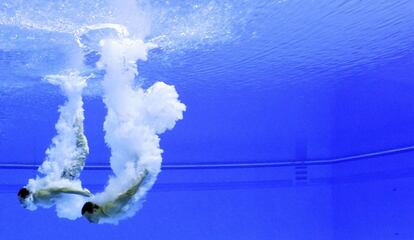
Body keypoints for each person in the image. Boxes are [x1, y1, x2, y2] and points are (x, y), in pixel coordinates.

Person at [18, 120, 91, 209]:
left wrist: (83, 193)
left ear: (27, 197)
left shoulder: (40, 195)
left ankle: (77, 118)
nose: (22, 204)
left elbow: (61, 189)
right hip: (67, 175)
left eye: (21, 201)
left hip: (69, 174)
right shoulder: (38, 199)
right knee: (80, 149)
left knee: (83, 150)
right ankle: (75, 123)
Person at [81, 169, 149, 223]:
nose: (90, 222)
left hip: (142, 179)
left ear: (95, 211)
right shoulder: (106, 214)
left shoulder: (110, 210)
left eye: (89, 218)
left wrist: (143, 176)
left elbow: (129, 194)